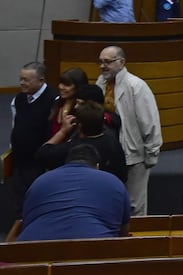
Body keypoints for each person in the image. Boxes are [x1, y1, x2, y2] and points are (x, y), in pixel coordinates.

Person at [96, 45, 162, 215]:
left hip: (134, 155)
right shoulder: (100, 83)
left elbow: (150, 123)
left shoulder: (136, 86)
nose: (103, 66)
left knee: (134, 205)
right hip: (110, 153)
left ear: (122, 62)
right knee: (112, 201)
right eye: (101, 62)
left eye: (108, 62)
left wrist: (151, 154)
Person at [18, 144, 130, 241]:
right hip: (93, 250)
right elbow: (123, 233)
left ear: (66, 163)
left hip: (33, 251)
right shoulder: (114, 182)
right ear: (97, 166)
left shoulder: (40, 181)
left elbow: (26, 222)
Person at [9, 61, 58, 219]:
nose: (22, 83)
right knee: (19, 199)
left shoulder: (53, 100)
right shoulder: (19, 99)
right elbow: (14, 124)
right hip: (20, 161)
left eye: (26, 80)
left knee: (37, 199)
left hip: (39, 163)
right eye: (21, 79)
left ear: (41, 80)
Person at [36, 99, 128, 183]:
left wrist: (62, 131)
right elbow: (122, 175)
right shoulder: (114, 143)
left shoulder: (74, 148)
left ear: (79, 125)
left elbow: (42, 154)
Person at [49, 67, 88, 137]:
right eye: (61, 83)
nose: (61, 87)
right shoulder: (55, 103)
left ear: (78, 87)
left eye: (67, 85)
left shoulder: (82, 109)